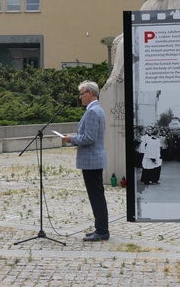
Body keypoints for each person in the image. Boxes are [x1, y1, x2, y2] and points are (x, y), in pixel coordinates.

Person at [62, 81, 109, 242]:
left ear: (90, 93)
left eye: (82, 94)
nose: (80, 97)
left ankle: (102, 231)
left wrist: (71, 139)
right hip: (94, 159)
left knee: (96, 196)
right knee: (97, 195)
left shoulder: (92, 112)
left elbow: (89, 137)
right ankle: (100, 228)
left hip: (92, 160)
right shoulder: (96, 110)